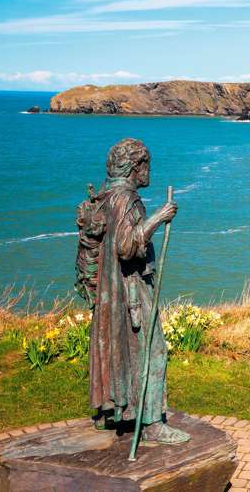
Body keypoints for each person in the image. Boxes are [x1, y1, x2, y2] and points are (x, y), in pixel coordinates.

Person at [83, 137, 188, 444]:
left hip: (110, 288)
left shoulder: (106, 196)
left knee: (118, 350)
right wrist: (160, 216)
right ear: (134, 167)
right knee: (154, 351)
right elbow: (126, 247)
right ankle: (153, 423)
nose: (149, 172)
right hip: (129, 289)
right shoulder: (127, 199)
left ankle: (112, 411)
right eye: (146, 165)